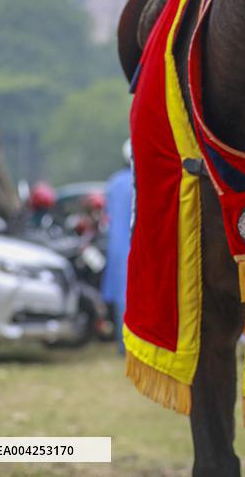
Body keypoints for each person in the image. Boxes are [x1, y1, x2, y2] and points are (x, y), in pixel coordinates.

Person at [101, 139, 134, 354]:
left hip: (116, 245)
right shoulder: (141, 179)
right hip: (136, 244)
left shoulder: (114, 183)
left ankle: (122, 344)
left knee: (121, 294)